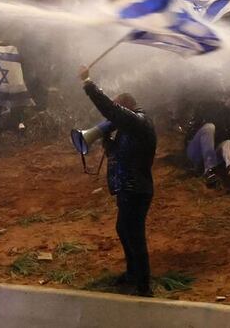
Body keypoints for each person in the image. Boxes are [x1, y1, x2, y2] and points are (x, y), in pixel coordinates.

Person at [78, 65, 156, 297]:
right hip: (127, 188)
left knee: (134, 234)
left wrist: (88, 83)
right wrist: (108, 144)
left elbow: (111, 110)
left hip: (135, 188)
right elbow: (120, 153)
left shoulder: (139, 121)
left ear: (125, 107)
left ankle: (143, 286)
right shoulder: (131, 128)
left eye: (118, 110)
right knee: (124, 229)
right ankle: (132, 274)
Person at [183, 99, 230, 193]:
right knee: (209, 127)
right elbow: (189, 134)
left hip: (212, 154)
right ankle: (209, 171)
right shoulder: (201, 107)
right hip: (196, 152)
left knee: (227, 143)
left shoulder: (226, 113)